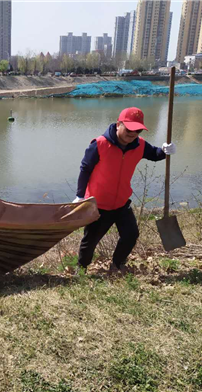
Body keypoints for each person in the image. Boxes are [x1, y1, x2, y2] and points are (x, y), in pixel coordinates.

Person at [73, 107, 177, 274]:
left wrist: (165, 151)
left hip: (121, 203)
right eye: (129, 129)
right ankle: (81, 269)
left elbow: (155, 154)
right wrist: (79, 195)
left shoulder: (140, 145)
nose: (133, 134)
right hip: (98, 204)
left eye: (137, 130)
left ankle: (117, 264)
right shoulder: (99, 144)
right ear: (118, 124)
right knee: (90, 241)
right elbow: (85, 169)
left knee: (131, 235)